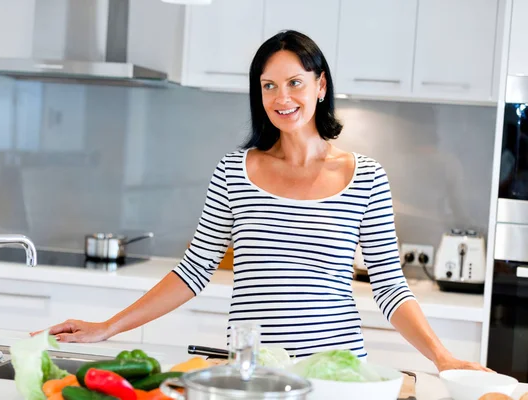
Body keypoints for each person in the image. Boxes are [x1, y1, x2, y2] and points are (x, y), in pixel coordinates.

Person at [32, 30, 489, 372]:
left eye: (294, 82)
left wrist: (443, 358)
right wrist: (108, 327)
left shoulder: (364, 175)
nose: (281, 97)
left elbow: (390, 287)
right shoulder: (236, 171)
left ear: (320, 86)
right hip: (253, 371)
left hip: (337, 372)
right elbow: (192, 273)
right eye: (268, 86)